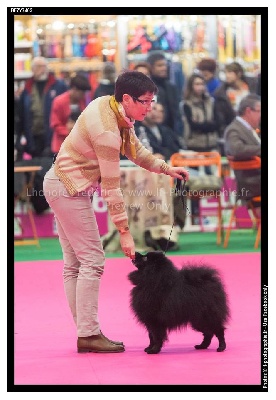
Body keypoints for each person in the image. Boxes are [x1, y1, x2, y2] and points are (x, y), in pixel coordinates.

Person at [43, 71, 189, 354]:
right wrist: (124, 232)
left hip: (61, 183)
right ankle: (88, 333)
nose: (150, 107)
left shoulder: (109, 106)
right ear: (126, 99)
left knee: (75, 264)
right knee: (93, 261)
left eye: (152, 101)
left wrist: (165, 168)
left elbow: (136, 151)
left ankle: (86, 331)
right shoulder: (107, 131)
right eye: (145, 102)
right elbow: (112, 187)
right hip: (67, 188)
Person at [17, 56, 68, 157]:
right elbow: (22, 115)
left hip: (53, 135)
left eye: (44, 66)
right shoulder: (27, 88)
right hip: (34, 136)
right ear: (32, 69)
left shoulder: (59, 86)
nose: (43, 69)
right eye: (39, 66)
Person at [224, 93, 261, 203]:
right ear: (248, 111)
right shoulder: (234, 129)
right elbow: (236, 150)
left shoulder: (250, 129)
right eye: (259, 111)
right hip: (251, 181)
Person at [213, 61, 251, 155]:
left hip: (253, 132)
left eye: (230, 72)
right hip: (233, 133)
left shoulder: (252, 88)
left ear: (239, 73)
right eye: (225, 73)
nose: (227, 76)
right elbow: (220, 118)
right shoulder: (221, 94)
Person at [50, 74, 91, 154]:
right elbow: (55, 125)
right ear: (74, 89)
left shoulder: (83, 102)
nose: (83, 96)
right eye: (82, 93)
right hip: (61, 147)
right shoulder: (59, 102)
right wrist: (70, 131)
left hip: (79, 148)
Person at [146, 51, 183, 136]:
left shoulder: (171, 87)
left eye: (165, 65)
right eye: (159, 65)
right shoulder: (147, 88)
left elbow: (176, 113)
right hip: (155, 133)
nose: (164, 68)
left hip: (172, 133)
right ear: (151, 68)